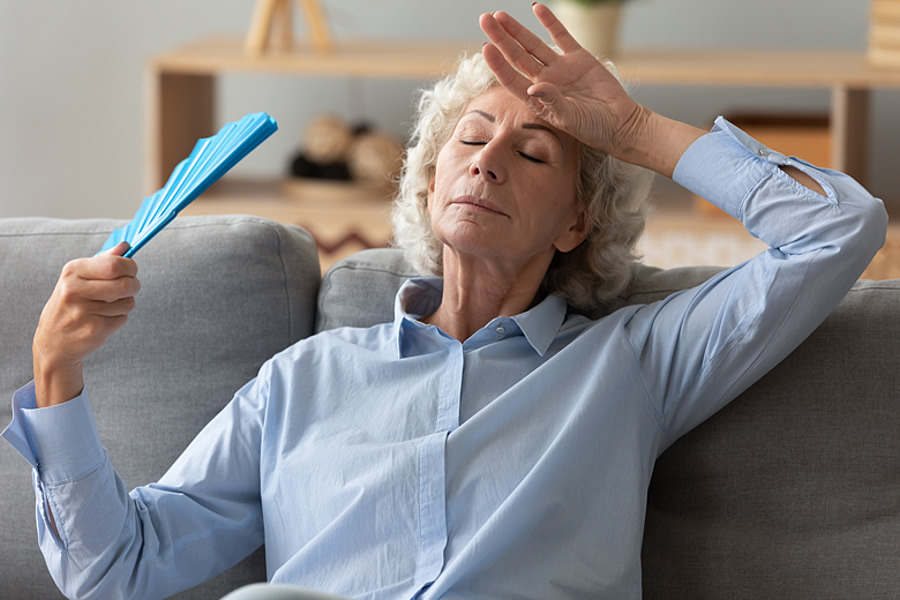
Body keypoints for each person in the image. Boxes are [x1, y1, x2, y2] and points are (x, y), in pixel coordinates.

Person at [2, 4, 887, 600]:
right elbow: (112, 567)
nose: (487, 160)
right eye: (469, 139)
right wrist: (58, 370)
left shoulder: (632, 364)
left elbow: (838, 229)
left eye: (534, 153)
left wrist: (630, 131)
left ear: (579, 221)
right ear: (431, 185)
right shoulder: (300, 382)